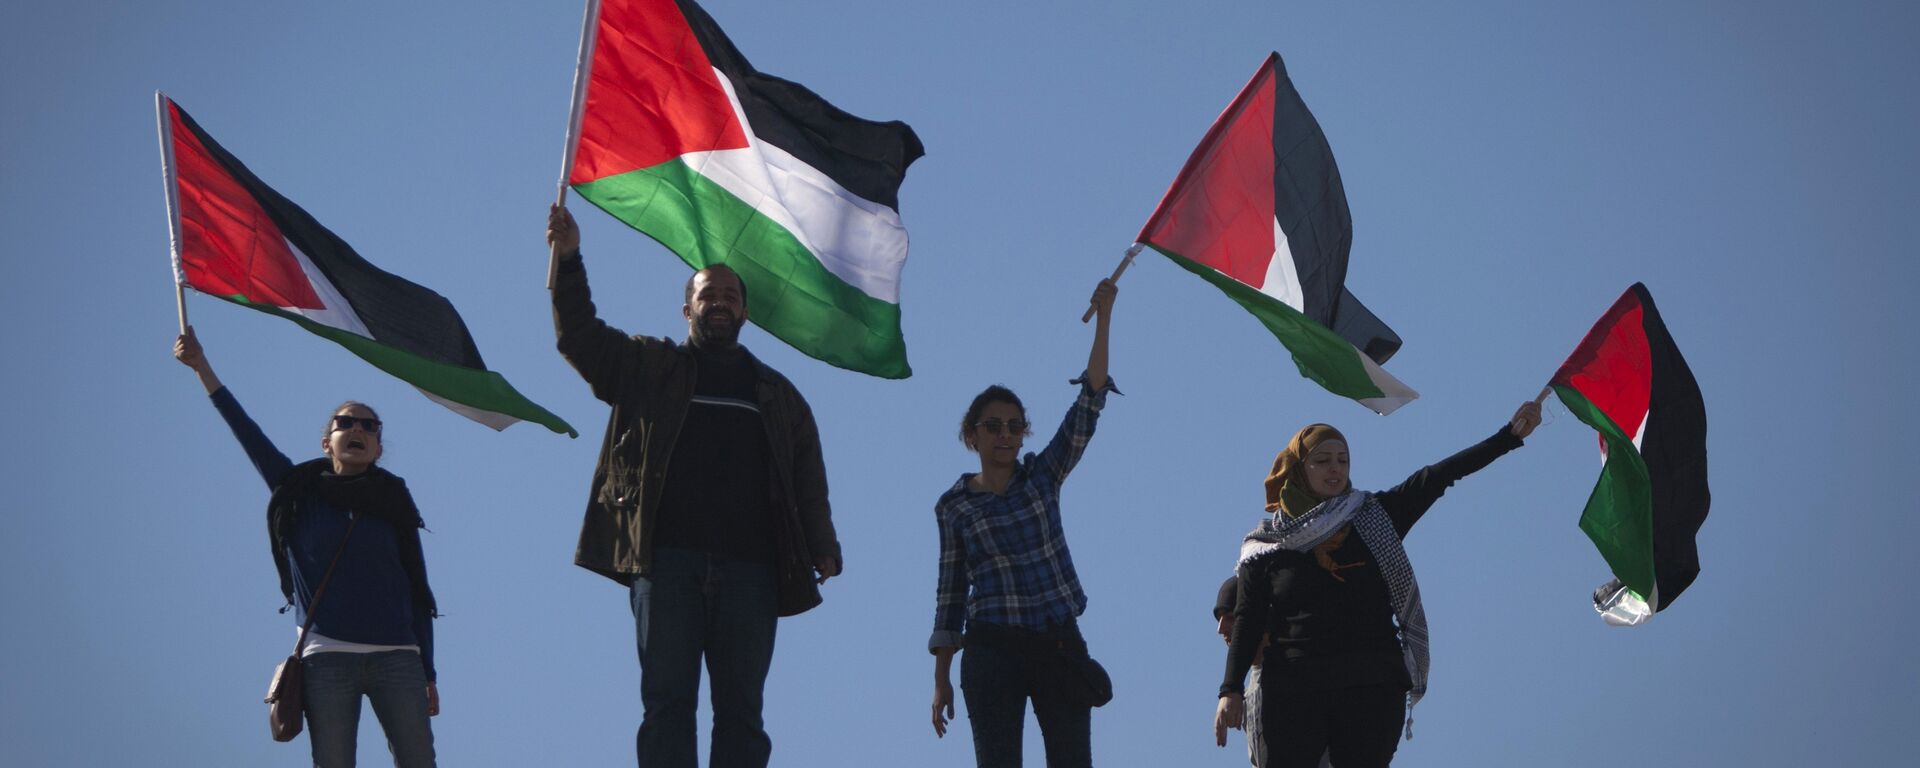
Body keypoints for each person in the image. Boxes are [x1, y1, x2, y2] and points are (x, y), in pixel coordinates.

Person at [546, 204, 842, 768]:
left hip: (753, 571)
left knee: (742, 714)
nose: (720, 303)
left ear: (746, 312)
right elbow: (580, 337)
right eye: (709, 295)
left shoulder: (778, 394)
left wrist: (822, 543)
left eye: (730, 295)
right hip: (666, 563)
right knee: (666, 704)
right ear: (688, 309)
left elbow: (808, 478)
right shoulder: (646, 366)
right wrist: (568, 259)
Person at [1212, 402, 1543, 768]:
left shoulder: (1374, 516)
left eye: (1342, 460)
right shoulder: (1265, 546)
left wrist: (1508, 437)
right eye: (1322, 460)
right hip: (1292, 689)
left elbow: (1437, 477)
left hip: (1370, 685)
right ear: (1299, 468)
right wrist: (1230, 690)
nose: (1335, 468)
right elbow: (1249, 618)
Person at [173, 327, 440, 768]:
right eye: (346, 422)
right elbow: (247, 432)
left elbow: (417, 590)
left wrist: (428, 671)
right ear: (326, 441)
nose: (357, 428)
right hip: (326, 656)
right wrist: (202, 367)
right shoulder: (297, 491)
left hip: (397, 656)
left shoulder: (394, 502)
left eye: (368, 426)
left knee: (419, 761)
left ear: (376, 448)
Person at [928, 279, 1119, 768]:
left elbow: (1089, 404)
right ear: (972, 435)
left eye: (1014, 426)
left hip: (1058, 640)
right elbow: (950, 596)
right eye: (993, 426)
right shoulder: (954, 506)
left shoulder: (1041, 476)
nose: (1005, 435)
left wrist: (1104, 318)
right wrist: (941, 678)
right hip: (993, 649)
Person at [1215, 577, 1270, 768]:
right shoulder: (1248, 693)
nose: (1220, 629)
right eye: (1219, 619)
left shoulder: (1295, 679)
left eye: (1230, 617)